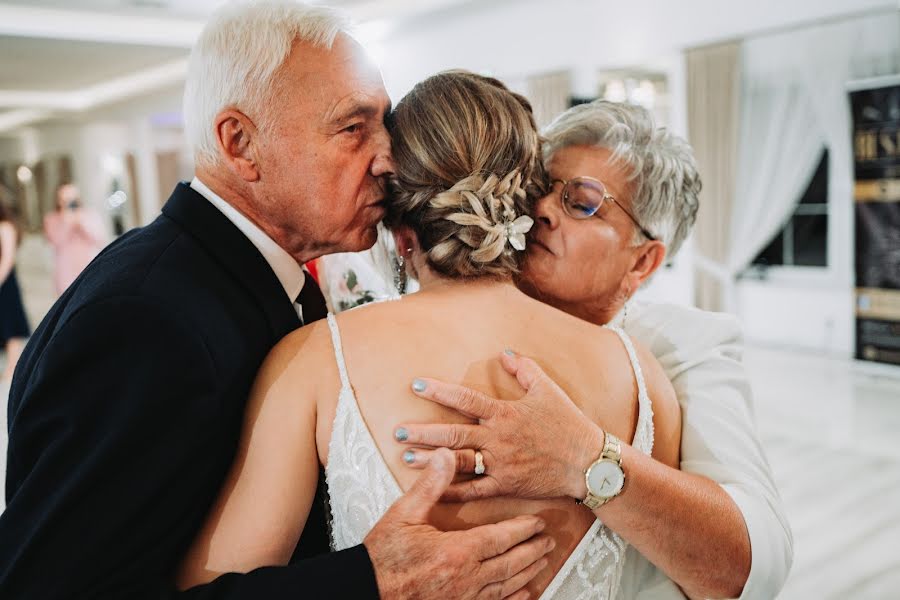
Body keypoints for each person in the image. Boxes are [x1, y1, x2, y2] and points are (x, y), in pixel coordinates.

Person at [0, 3, 552, 599]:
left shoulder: (248, 281)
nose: (388, 157)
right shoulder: (144, 319)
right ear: (240, 144)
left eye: (383, 124)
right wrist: (371, 583)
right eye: (352, 128)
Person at [176, 70, 683, 600]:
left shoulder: (314, 362)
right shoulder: (639, 373)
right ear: (528, 205)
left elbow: (210, 590)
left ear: (397, 227)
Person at [395, 100, 794, 599]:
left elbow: (757, 568)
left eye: (581, 203)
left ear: (643, 262)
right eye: (542, 189)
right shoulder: (443, 317)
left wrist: (586, 459)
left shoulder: (681, 344)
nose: (542, 210)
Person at [43, 182, 107, 295]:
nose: (70, 203)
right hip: (65, 272)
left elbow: (99, 240)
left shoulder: (90, 215)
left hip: (89, 267)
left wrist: (81, 223)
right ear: (58, 200)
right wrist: (66, 221)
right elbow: (56, 241)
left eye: (72, 198)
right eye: (65, 199)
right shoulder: (51, 218)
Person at [0, 200, 29, 383]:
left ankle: (12, 368)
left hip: (5, 282)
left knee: (10, 323)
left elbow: (8, 258)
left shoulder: (5, 226)